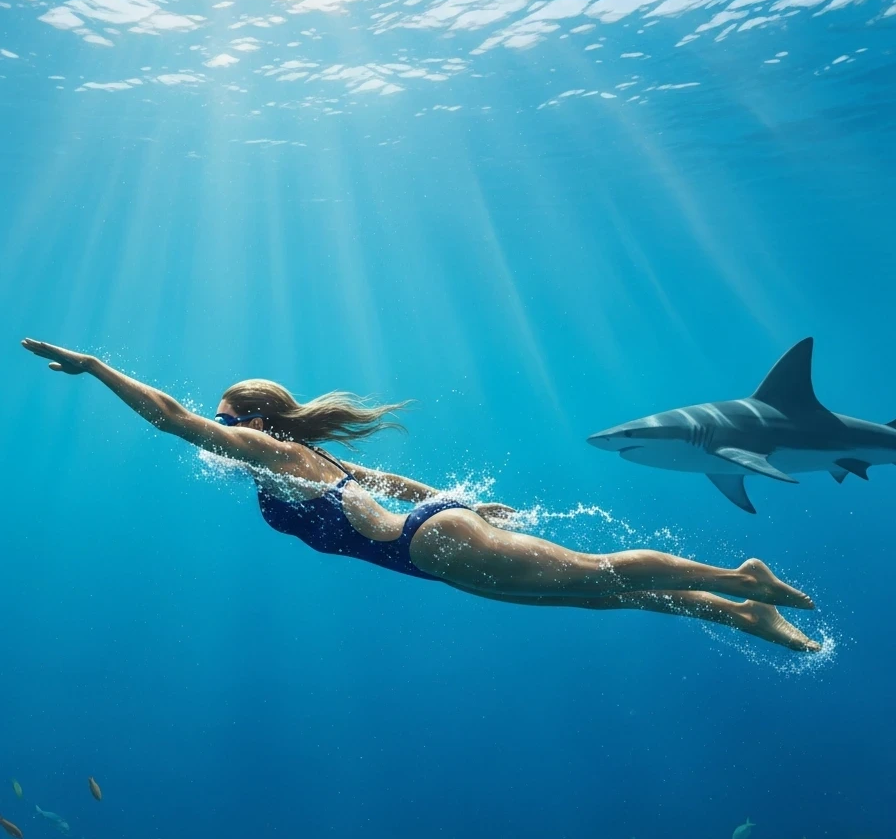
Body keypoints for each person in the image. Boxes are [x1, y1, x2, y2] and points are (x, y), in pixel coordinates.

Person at [21, 338, 820, 651]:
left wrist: (96, 368)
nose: (216, 426)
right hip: (432, 545)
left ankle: (739, 577)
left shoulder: (264, 447)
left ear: (253, 418)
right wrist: (455, 499)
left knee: (594, 573)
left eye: (225, 415)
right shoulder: (297, 453)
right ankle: (740, 613)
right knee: (596, 598)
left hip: (430, 544)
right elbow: (391, 483)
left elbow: (167, 417)